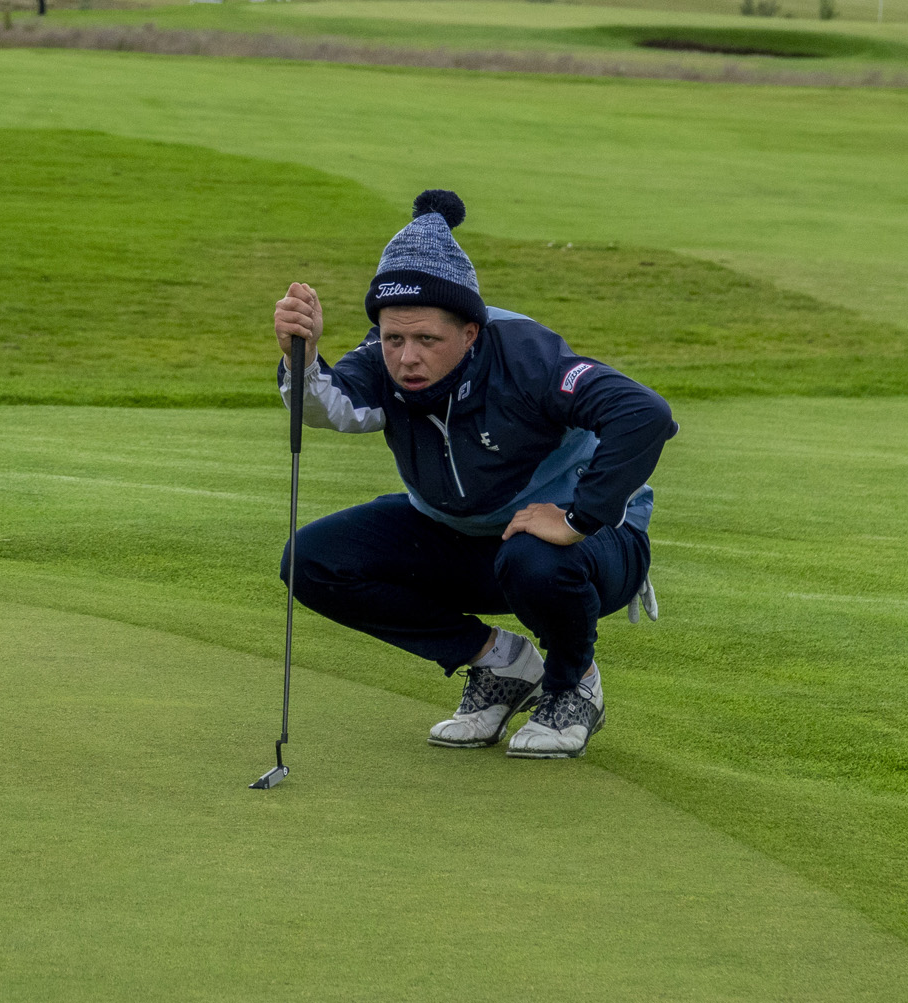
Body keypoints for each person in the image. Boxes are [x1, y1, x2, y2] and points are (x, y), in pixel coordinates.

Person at [273, 189, 676, 759]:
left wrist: (578, 517)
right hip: (462, 537)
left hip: (592, 547)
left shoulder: (527, 356)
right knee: (313, 560)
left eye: (426, 340)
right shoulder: (384, 359)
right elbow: (330, 408)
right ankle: (501, 665)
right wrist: (304, 357)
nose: (407, 357)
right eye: (394, 338)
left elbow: (642, 413)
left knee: (535, 557)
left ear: (470, 332)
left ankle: (571, 687)